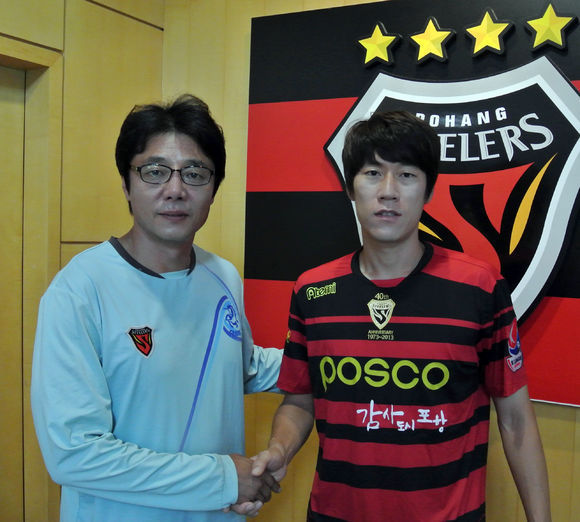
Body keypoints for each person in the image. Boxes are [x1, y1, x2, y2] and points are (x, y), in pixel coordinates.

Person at [246, 111, 551, 521]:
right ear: (350, 187)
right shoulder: (312, 290)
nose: (388, 192)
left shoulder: (479, 287)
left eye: (406, 175)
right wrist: (280, 450)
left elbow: (515, 421)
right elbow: (300, 401)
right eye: (373, 173)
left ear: (428, 191)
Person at [31, 94, 282, 521]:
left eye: (195, 173)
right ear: (126, 184)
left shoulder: (223, 275)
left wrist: (326, 355)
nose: (175, 190)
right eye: (154, 171)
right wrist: (221, 478)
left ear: (214, 189)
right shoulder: (79, 290)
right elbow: (74, 454)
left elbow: (239, 367)